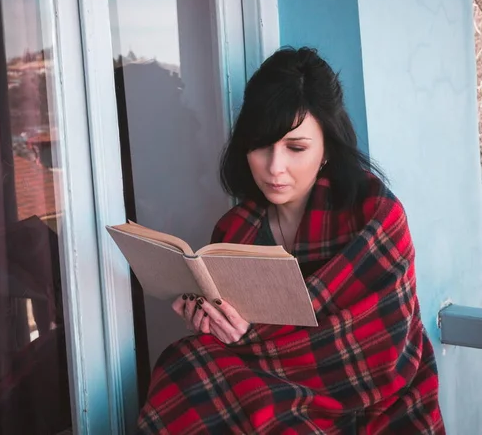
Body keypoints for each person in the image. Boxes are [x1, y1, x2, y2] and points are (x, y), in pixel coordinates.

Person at [136, 47, 445, 434]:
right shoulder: (235, 232)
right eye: (261, 146)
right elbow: (239, 350)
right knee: (185, 363)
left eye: (295, 148)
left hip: (371, 399)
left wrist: (254, 339)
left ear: (327, 148)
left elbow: (382, 352)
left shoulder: (375, 215)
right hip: (270, 388)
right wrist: (216, 326)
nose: (274, 167)